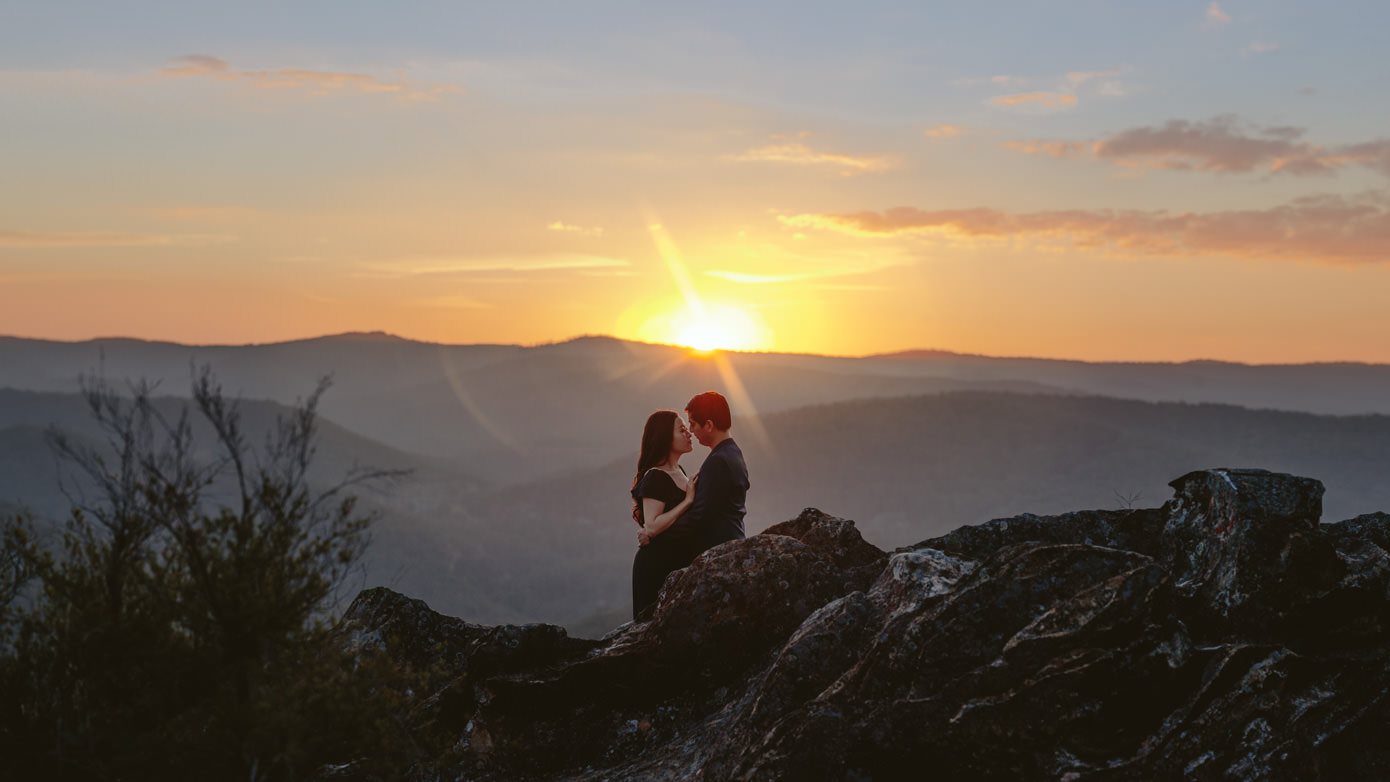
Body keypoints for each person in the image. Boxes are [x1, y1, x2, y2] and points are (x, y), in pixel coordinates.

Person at [629, 410, 699, 622]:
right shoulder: (656, 476)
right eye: (682, 430)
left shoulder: (680, 471)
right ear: (665, 438)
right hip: (656, 566)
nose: (689, 434)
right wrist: (687, 501)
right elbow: (652, 526)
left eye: (687, 429)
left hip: (675, 562)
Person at [675, 390, 749, 561]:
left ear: (708, 425)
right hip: (734, 541)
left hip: (720, 553)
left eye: (693, 424)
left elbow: (699, 516)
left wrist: (657, 532)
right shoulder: (734, 453)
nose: (691, 430)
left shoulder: (717, 462)